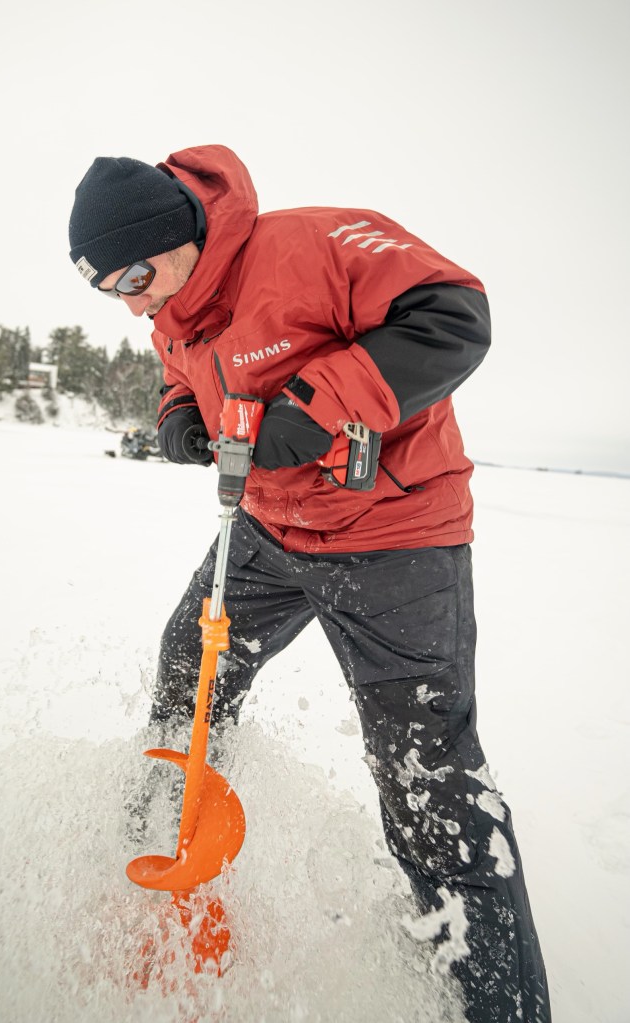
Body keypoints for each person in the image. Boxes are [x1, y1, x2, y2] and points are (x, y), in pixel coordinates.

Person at [68, 145, 551, 1022]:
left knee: (426, 775)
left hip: (393, 537)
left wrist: (317, 406)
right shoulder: (171, 305)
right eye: (108, 289)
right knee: (190, 666)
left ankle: (493, 1001)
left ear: (176, 233)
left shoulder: (314, 245)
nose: (131, 302)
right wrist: (180, 419)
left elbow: (454, 313)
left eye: (134, 274)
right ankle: (164, 856)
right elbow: (184, 372)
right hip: (267, 530)